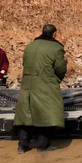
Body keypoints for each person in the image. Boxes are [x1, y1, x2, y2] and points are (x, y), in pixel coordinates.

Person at [13, 24, 67, 153]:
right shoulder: (56, 48)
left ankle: (22, 145)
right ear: (54, 34)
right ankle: (43, 146)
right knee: (46, 114)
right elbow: (60, 68)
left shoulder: (30, 46)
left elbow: (25, 64)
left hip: (28, 83)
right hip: (45, 83)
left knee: (26, 115)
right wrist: (56, 79)